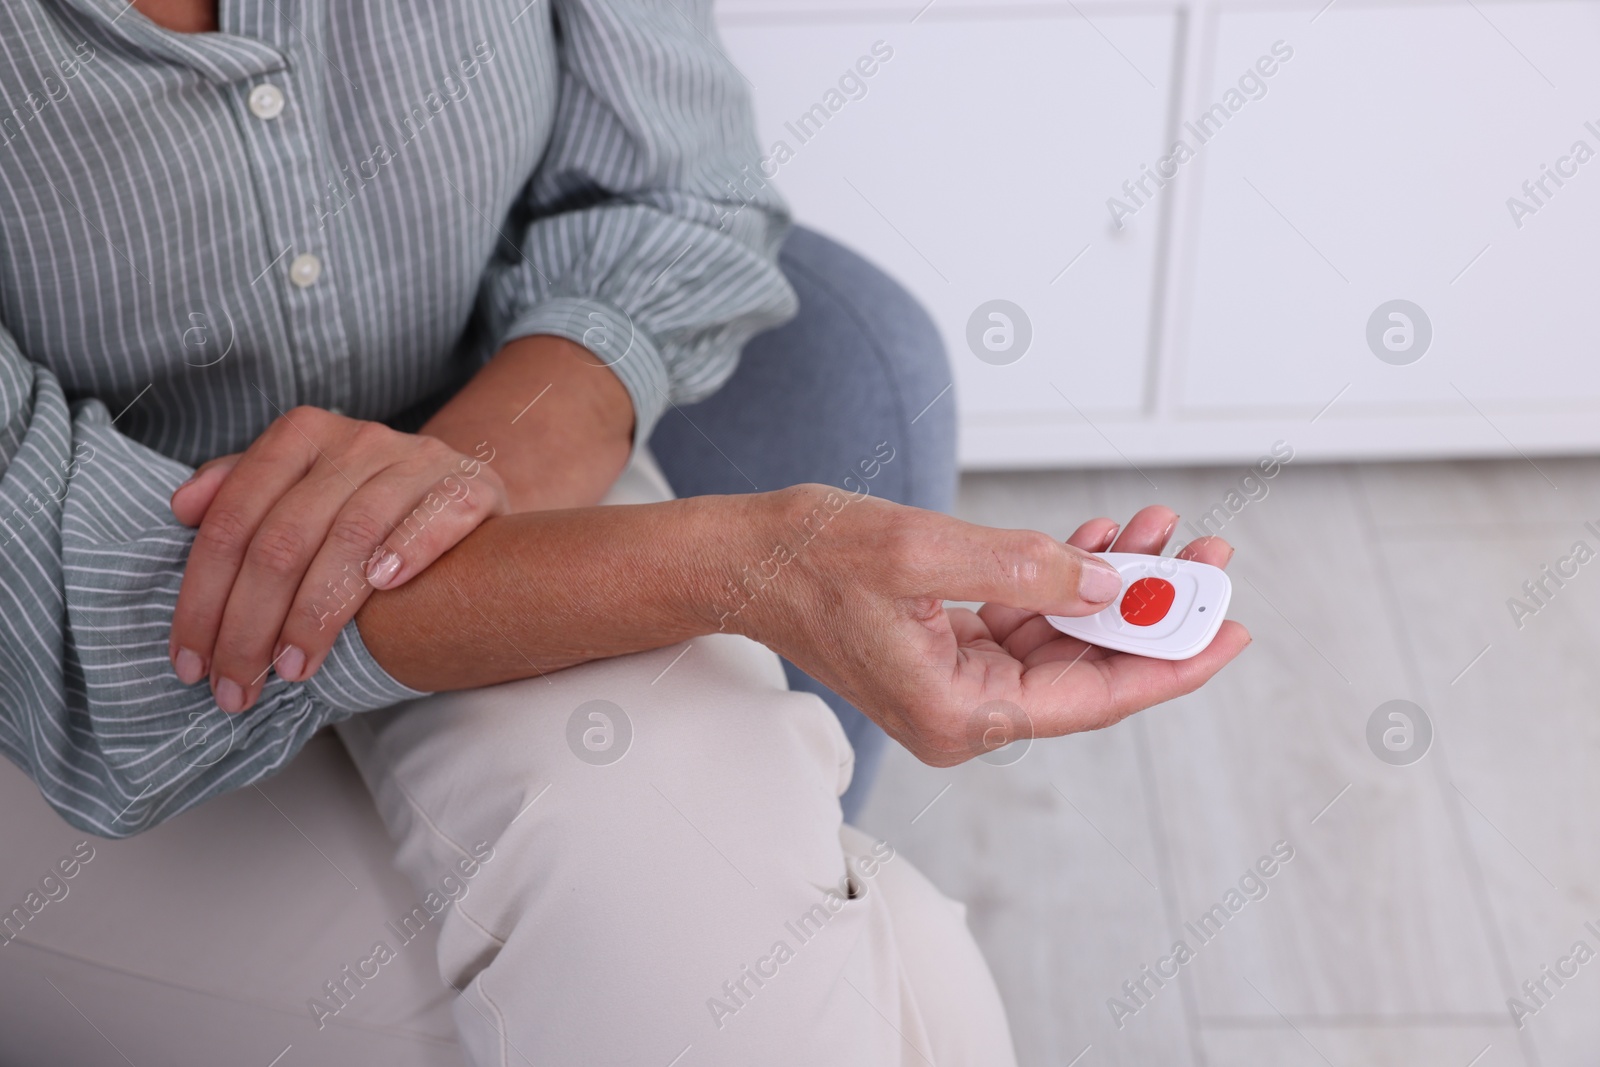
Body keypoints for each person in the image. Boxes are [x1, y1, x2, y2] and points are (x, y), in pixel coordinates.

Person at [0, 0, 1250, 1061]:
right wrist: (748, 563)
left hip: (527, 492)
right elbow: (68, 608)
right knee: (888, 967)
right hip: (69, 712)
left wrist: (456, 479)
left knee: (737, 976)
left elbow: (677, 195)